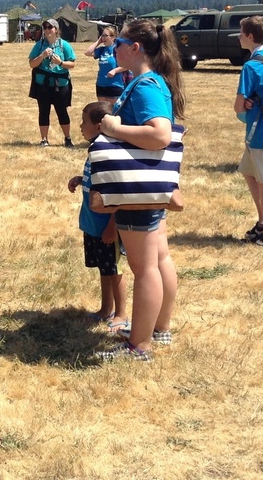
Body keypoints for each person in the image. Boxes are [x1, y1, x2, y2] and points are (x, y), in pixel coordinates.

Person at [95, 20, 184, 362]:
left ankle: (139, 346)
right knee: (159, 259)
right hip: (151, 186)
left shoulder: (146, 85)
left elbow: (160, 134)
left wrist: (114, 126)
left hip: (137, 189)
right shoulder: (150, 81)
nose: (112, 46)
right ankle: (157, 329)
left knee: (144, 267)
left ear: (135, 48)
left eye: (118, 41)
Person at [68, 101, 128, 333]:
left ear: (100, 125)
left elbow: (116, 191)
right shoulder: (95, 149)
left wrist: (112, 226)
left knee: (114, 269)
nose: (81, 126)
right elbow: (98, 180)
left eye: (84, 122)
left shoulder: (106, 151)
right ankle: (106, 308)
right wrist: (81, 179)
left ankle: (121, 314)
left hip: (107, 226)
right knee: (104, 269)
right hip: (93, 223)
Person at [234, 15, 263, 247]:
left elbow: (238, 106)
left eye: (242, 33)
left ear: (250, 36)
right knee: (248, 172)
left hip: (258, 132)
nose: (239, 37)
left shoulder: (251, 66)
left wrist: (246, 104)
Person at [27, 18, 76, 147]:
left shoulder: (64, 45)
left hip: (60, 83)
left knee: (62, 111)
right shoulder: (39, 44)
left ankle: (67, 138)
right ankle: (44, 139)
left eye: (50, 27)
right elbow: (32, 64)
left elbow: (72, 64)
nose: (48, 30)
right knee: (43, 111)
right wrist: (42, 56)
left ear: (56, 30)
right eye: (45, 27)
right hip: (43, 83)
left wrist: (60, 63)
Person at [84, 27, 126, 106]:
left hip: (114, 85)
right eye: (102, 35)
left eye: (106, 35)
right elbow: (87, 52)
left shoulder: (118, 49)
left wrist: (115, 71)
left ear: (113, 37)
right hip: (101, 84)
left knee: (114, 111)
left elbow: (127, 65)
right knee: (103, 111)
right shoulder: (102, 50)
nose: (103, 38)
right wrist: (98, 41)